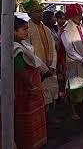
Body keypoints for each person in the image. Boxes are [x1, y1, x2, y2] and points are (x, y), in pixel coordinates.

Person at [23, 0, 59, 123]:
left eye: (41, 11)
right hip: (39, 70)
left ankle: (51, 118)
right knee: (42, 96)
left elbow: (53, 49)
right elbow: (29, 52)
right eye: (37, 11)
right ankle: (43, 121)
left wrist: (52, 66)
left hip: (50, 68)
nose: (41, 14)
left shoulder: (47, 29)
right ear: (30, 14)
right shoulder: (27, 29)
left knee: (53, 92)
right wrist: (44, 69)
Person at [13, 16, 47, 148]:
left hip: (31, 87)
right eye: (24, 29)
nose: (27, 32)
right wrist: (31, 85)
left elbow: (35, 60)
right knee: (25, 116)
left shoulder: (23, 44)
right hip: (25, 89)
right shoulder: (16, 48)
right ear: (14, 31)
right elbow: (20, 70)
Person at [61, 3, 83, 120]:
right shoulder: (66, 31)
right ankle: (73, 111)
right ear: (71, 16)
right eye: (77, 15)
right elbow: (69, 50)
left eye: (80, 14)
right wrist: (82, 60)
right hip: (74, 63)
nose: (80, 17)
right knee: (73, 87)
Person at [55, 11, 67, 99]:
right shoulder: (54, 29)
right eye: (61, 19)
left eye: (64, 19)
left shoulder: (66, 29)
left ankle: (62, 92)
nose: (63, 21)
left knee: (63, 74)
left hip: (63, 54)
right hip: (56, 54)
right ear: (57, 19)